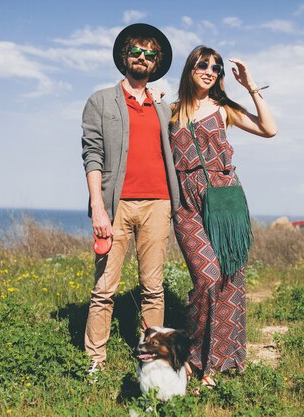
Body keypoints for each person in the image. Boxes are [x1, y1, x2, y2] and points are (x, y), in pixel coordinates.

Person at [168, 45, 278, 387]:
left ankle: (218, 362)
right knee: (207, 277)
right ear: (190, 68)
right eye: (203, 64)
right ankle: (191, 354)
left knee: (229, 277)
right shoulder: (169, 111)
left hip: (225, 198)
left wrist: (251, 86)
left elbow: (269, 129)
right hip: (186, 202)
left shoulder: (224, 109)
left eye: (216, 67)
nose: (210, 71)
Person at [80, 23, 180, 376]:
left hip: (158, 205)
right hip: (115, 206)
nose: (142, 58)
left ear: (156, 63)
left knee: (154, 288)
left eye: (150, 54)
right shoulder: (100, 101)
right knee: (104, 289)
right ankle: (94, 361)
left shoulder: (164, 107)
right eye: (136, 52)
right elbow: (92, 154)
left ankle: (151, 363)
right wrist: (97, 208)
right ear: (124, 56)